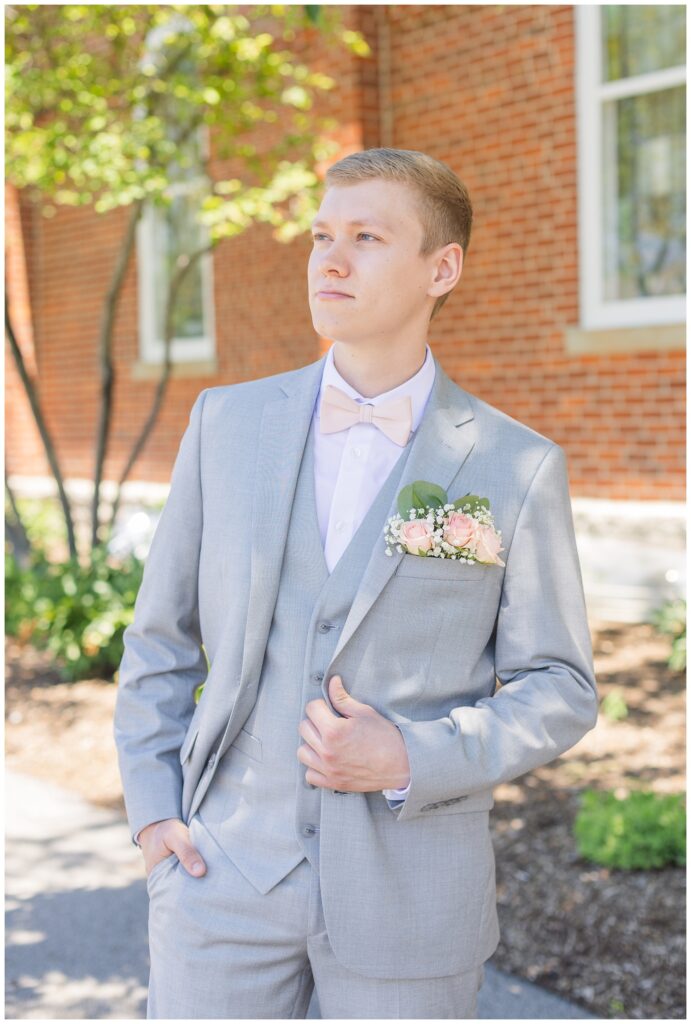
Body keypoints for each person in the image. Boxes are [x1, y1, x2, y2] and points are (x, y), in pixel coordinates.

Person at [113, 147, 598, 1019]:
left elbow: (558, 687)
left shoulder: (515, 466)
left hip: (411, 907)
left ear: (439, 269)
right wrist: (154, 817)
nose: (329, 260)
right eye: (321, 236)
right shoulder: (225, 424)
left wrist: (413, 755)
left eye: (367, 237)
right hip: (220, 879)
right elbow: (159, 639)